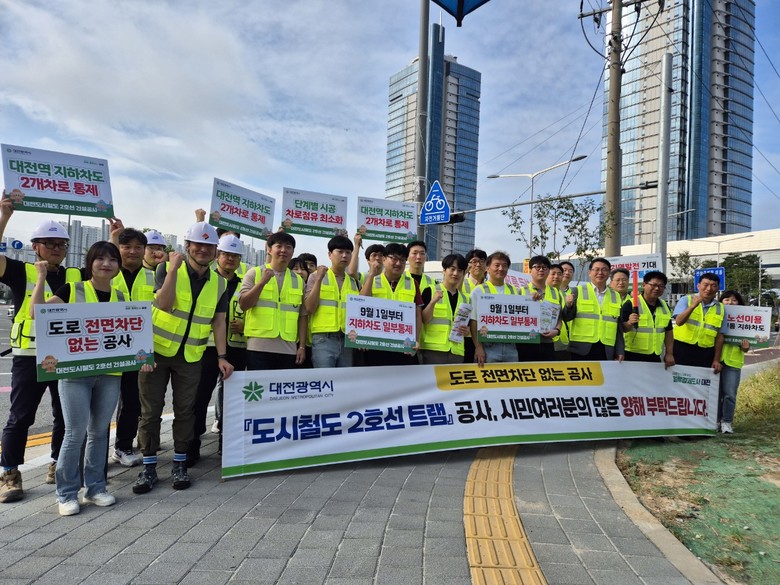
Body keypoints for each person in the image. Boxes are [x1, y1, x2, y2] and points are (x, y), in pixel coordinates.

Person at [29, 242, 146, 515]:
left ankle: (95, 488)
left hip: (109, 375)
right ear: (89, 263)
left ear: (118, 266)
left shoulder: (121, 298)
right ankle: (66, 493)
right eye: (100, 259)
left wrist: (143, 358)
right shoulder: (73, 289)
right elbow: (37, 313)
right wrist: (41, 277)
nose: (106, 264)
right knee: (74, 433)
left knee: (99, 432)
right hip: (75, 375)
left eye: (112, 260)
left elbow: (133, 335)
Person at [134, 222, 233, 495]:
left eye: (209, 246)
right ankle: (149, 466)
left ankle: (180, 464)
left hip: (190, 355)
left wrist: (222, 356)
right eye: (198, 244)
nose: (203, 250)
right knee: (150, 412)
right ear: (187, 246)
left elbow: (219, 321)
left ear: (215, 250)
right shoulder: (166, 269)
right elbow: (164, 304)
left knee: (185, 411)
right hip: (156, 352)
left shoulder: (220, 283)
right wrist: (173, 270)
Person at [0, 203, 81, 504]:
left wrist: (113, 238)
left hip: (65, 356)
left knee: (64, 415)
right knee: (20, 417)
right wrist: (4, 217)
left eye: (61, 244)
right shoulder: (21, 271)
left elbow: (107, 269)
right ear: (35, 246)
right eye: (50, 243)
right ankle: (9, 473)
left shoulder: (75, 275)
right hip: (29, 356)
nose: (57, 248)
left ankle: (56, 464)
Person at [189, 234, 247, 464]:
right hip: (208, 346)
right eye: (226, 254)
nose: (230, 259)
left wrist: (245, 326)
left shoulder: (244, 283)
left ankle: (228, 445)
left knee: (232, 400)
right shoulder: (208, 280)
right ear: (217, 255)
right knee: (200, 397)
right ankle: (192, 446)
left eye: (235, 255)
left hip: (236, 346)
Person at [107, 221, 155, 467]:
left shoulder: (153, 276)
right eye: (126, 246)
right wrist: (113, 237)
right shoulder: (107, 272)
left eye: (138, 247)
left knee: (132, 401)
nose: (133, 251)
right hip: (107, 346)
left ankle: (123, 447)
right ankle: (96, 452)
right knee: (102, 403)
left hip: (138, 349)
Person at [239, 231, 307, 370]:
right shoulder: (255, 273)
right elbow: (244, 305)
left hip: (288, 349)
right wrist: (262, 282)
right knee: (257, 384)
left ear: (293, 252)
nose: (283, 250)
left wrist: (301, 347)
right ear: (269, 249)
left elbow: (303, 315)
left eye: (288, 247)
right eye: (279, 246)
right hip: (258, 347)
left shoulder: (298, 281)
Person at [360, 242, 423, 366]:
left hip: (403, 345)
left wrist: (416, 340)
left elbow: (417, 315)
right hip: (376, 344)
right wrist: (362, 337)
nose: (398, 263)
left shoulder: (412, 283)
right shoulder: (372, 280)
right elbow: (360, 305)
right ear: (384, 259)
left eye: (402, 260)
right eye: (394, 258)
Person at [304, 236, 360, 368]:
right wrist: (319, 279)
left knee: (344, 379)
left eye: (348, 252)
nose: (344, 255)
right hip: (323, 338)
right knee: (325, 379)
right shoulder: (316, 276)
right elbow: (309, 308)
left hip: (347, 339)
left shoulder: (354, 282)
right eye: (340, 252)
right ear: (330, 254)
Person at [562, 258, 624, 361]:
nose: (600, 273)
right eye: (596, 269)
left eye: (604, 270)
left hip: (606, 348)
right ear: (590, 272)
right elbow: (566, 317)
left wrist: (620, 350)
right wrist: (568, 306)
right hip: (580, 348)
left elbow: (618, 326)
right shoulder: (578, 291)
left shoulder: (616, 296)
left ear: (609, 273)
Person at [469, 251, 519, 366]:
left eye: (504, 265)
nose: (501, 268)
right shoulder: (478, 291)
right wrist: (478, 347)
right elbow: (473, 321)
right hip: (487, 346)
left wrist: (534, 299)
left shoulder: (514, 291)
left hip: (511, 346)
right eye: (497, 265)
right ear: (487, 268)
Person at [419, 254, 468, 364]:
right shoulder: (430, 291)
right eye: (452, 269)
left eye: (460, 270)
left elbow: (465, 327)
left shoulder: (465, 299)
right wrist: (433, 301)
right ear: (444, 270)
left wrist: (466, 330)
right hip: (433, 350)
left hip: (456, 352)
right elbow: (424, 320)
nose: (455, 273)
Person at [713, 291, 750, 434]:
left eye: (734, 300)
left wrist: (746, 347)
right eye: (726, 299)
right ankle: (715, 421)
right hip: (714, 359)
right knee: (715, 393)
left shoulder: (745, 320)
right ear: (721, 302)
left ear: (739, 303)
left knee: (729, 394)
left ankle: (727, 422)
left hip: (733, 361)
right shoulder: (714, 315)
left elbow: (749, 344)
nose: (730, 302)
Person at [621, 271, 674, 367]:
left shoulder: (664, 306)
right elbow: (622, 329)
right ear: (644, 285)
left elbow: (668, 331)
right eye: (653, 285)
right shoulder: (630, 304)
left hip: (655, 356)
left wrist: (669, 353)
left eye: (661, 286)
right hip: (632, 356)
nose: (657, 288)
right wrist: (629, 323)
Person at [672, 272, 724, 368]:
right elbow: (679, 322)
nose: (709, 289)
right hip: (682, 347)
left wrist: (716, 360)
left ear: (718, 288)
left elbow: (719, 336)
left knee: (700, 377)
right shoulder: (686, 300)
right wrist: (693, 306)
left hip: (706, 351)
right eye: (705, 285)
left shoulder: (720, 307)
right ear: (698, 286)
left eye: (713, 286)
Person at [516, 255, 563, 362]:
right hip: (526, 342)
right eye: (537, 267)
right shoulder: (521, 291)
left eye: (545, 267)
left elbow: (559, 317)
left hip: (548, 342)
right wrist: (528, 301)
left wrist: (556, 331)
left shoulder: (556, 293)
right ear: (530, 270)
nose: (541, 270)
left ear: (548, 271)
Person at [461, 249, 487, 363]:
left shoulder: (490, 287)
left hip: (485, 336)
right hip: (465, 336)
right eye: (474, 261)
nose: (478, 264)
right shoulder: (461, 284)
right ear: (468, 265)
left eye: (482, 261)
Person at [547, 263, 571, 361]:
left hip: (562, 342)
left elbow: (563, 316)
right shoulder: (540, 292)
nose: (556, 277)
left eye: (559, 274)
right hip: (545, 340)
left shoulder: (564, 295)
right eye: (553, 274)